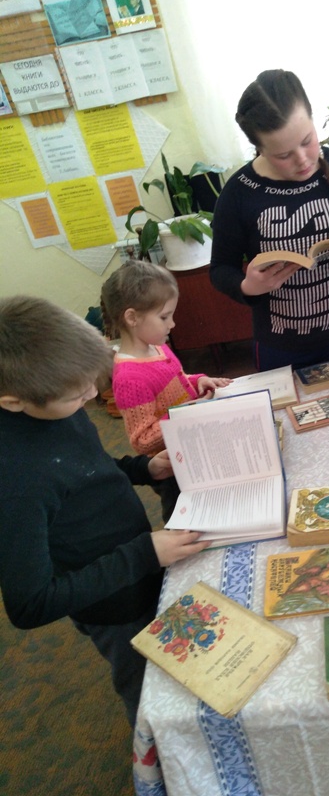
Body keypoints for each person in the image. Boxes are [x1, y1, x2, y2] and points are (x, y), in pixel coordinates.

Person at [0, 296, 210, 729]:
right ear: (14, 402)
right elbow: (30, 604)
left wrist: (141, 468)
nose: (93, 396)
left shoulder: (52, 406)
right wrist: (143, 554)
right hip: (113, 604)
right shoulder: (15, 481)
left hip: (140, 560)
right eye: (78, 395)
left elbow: (84, 470)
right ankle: (154, 752)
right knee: (147, 688)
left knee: (177, 662)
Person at [209, 69, 329, 372]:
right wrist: (247, 286)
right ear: (259, 149)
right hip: (279, 348)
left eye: (307, 141)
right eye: (283, 155)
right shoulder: (238, 193)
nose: (303, 159)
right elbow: (220, 268)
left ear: (312, 118)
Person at [100, 261, 231, 520]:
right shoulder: (129, 378)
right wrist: (188, 413)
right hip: (172, 465)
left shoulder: (158, 347)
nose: (172, 324)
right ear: (132, 317)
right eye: (164, 317)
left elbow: (178, 381)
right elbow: (142, 439)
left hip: (193, 443)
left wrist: (198, 381)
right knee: (183, 515)